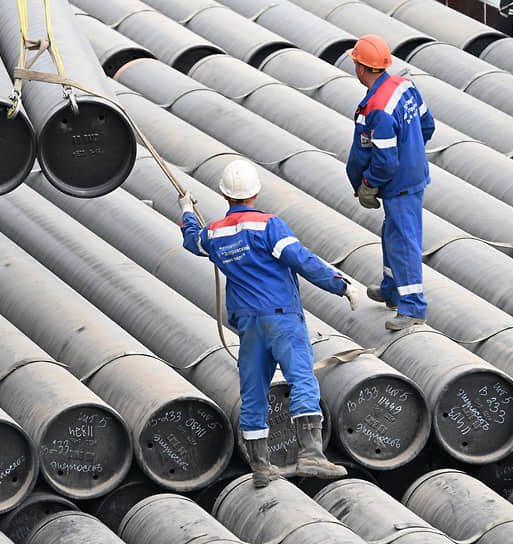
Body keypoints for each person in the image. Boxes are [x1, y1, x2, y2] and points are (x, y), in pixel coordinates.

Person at [177, 159, 358, 487]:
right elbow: (301, 260)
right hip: (281, 318)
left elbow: (193, 241)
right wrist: (340, 285)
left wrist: (187, 211)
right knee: (301, 379)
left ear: (224, 195)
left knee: (253, 392)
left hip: (248, 325)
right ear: (255, 193)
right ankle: (311, 453)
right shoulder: (269, 226)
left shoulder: (215, 233)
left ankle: (261, 467)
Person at [345, 34, 436, 331]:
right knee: (392, 234)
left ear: (361, 68)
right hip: (410, 176)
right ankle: (392, 289)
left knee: (403, 241)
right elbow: (427, 125)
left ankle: (413, 307)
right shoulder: (405, 86)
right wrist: (413, 152)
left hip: (399, 185)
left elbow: (384, 160)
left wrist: (368, 182)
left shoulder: (378, 109)